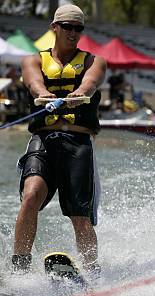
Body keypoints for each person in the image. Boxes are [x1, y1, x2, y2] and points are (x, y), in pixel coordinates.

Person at [12, 4, 107, 275]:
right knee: (30, 197)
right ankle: (19, 268)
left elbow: (92, 81)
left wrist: (81, 92)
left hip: (77, 145)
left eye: (78, 28)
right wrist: (43, 93)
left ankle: (92, 272)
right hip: (43, 141)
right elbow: (33, 82)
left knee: (80, 215)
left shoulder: (93, 60)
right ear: (55, 27)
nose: (73, 32)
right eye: (67, 27)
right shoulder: (33, 60)